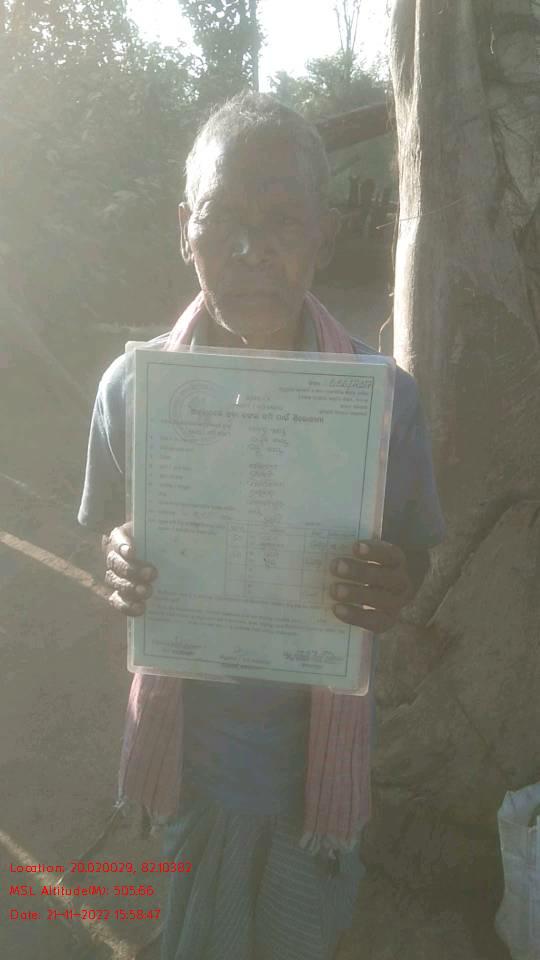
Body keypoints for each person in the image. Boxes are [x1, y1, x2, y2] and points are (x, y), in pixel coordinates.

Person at [78, 92, 446, 960]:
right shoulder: (133, 390)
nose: (251, 250)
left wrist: (394, 583)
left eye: (282, 222)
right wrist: (118, 558)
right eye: (222, 221)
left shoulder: (382, 401)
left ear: (325, 236)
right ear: (185, 231)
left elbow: (414, 549)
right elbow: (110, 531)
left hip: (310, 763)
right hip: (189, 758)